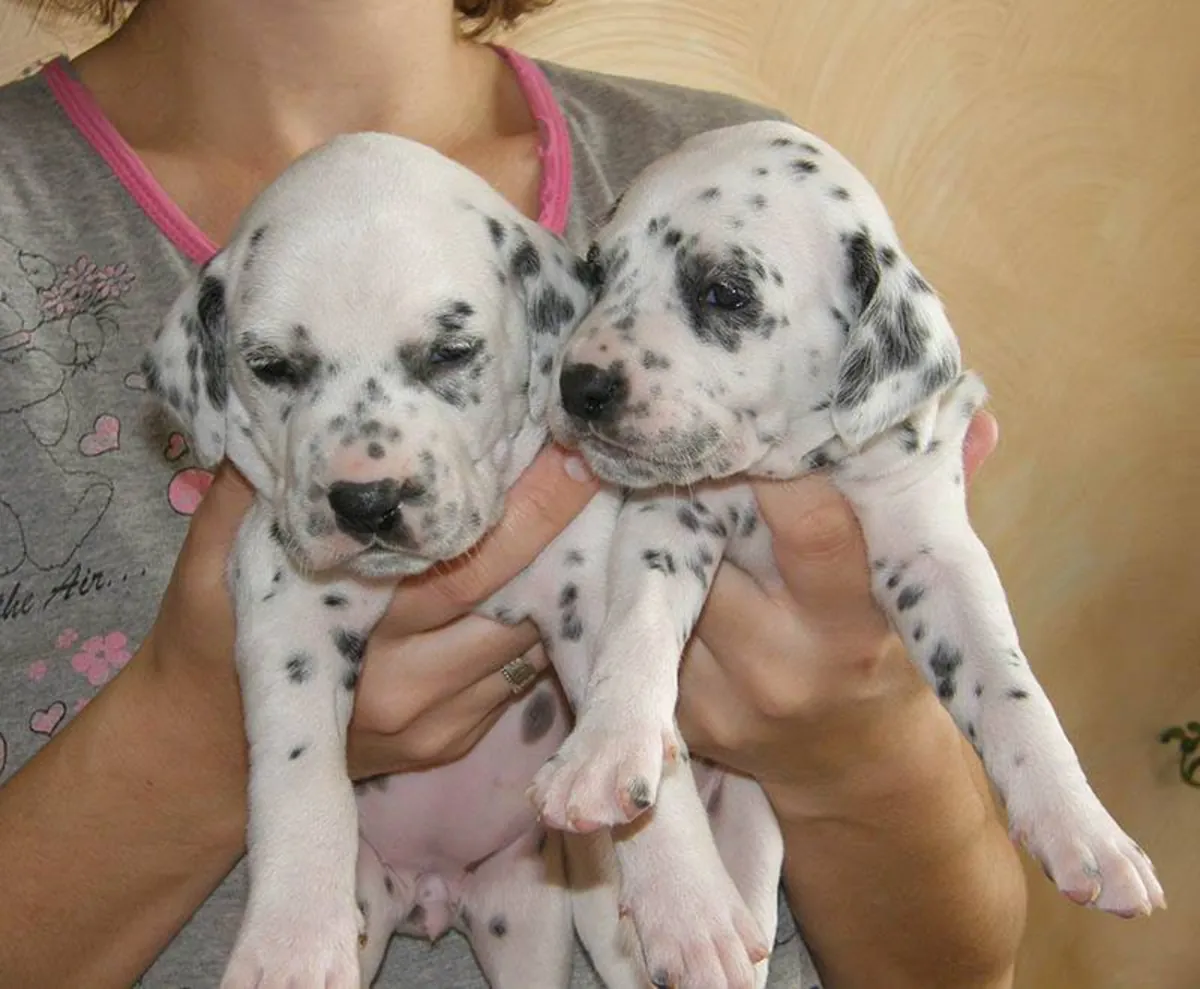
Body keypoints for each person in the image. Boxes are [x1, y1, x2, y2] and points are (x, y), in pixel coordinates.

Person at [0, 0, 1027, 986]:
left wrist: (856, 734)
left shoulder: (727, 191)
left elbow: (964, 968)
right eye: (278, 368)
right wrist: (192, 729)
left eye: (449, 352)